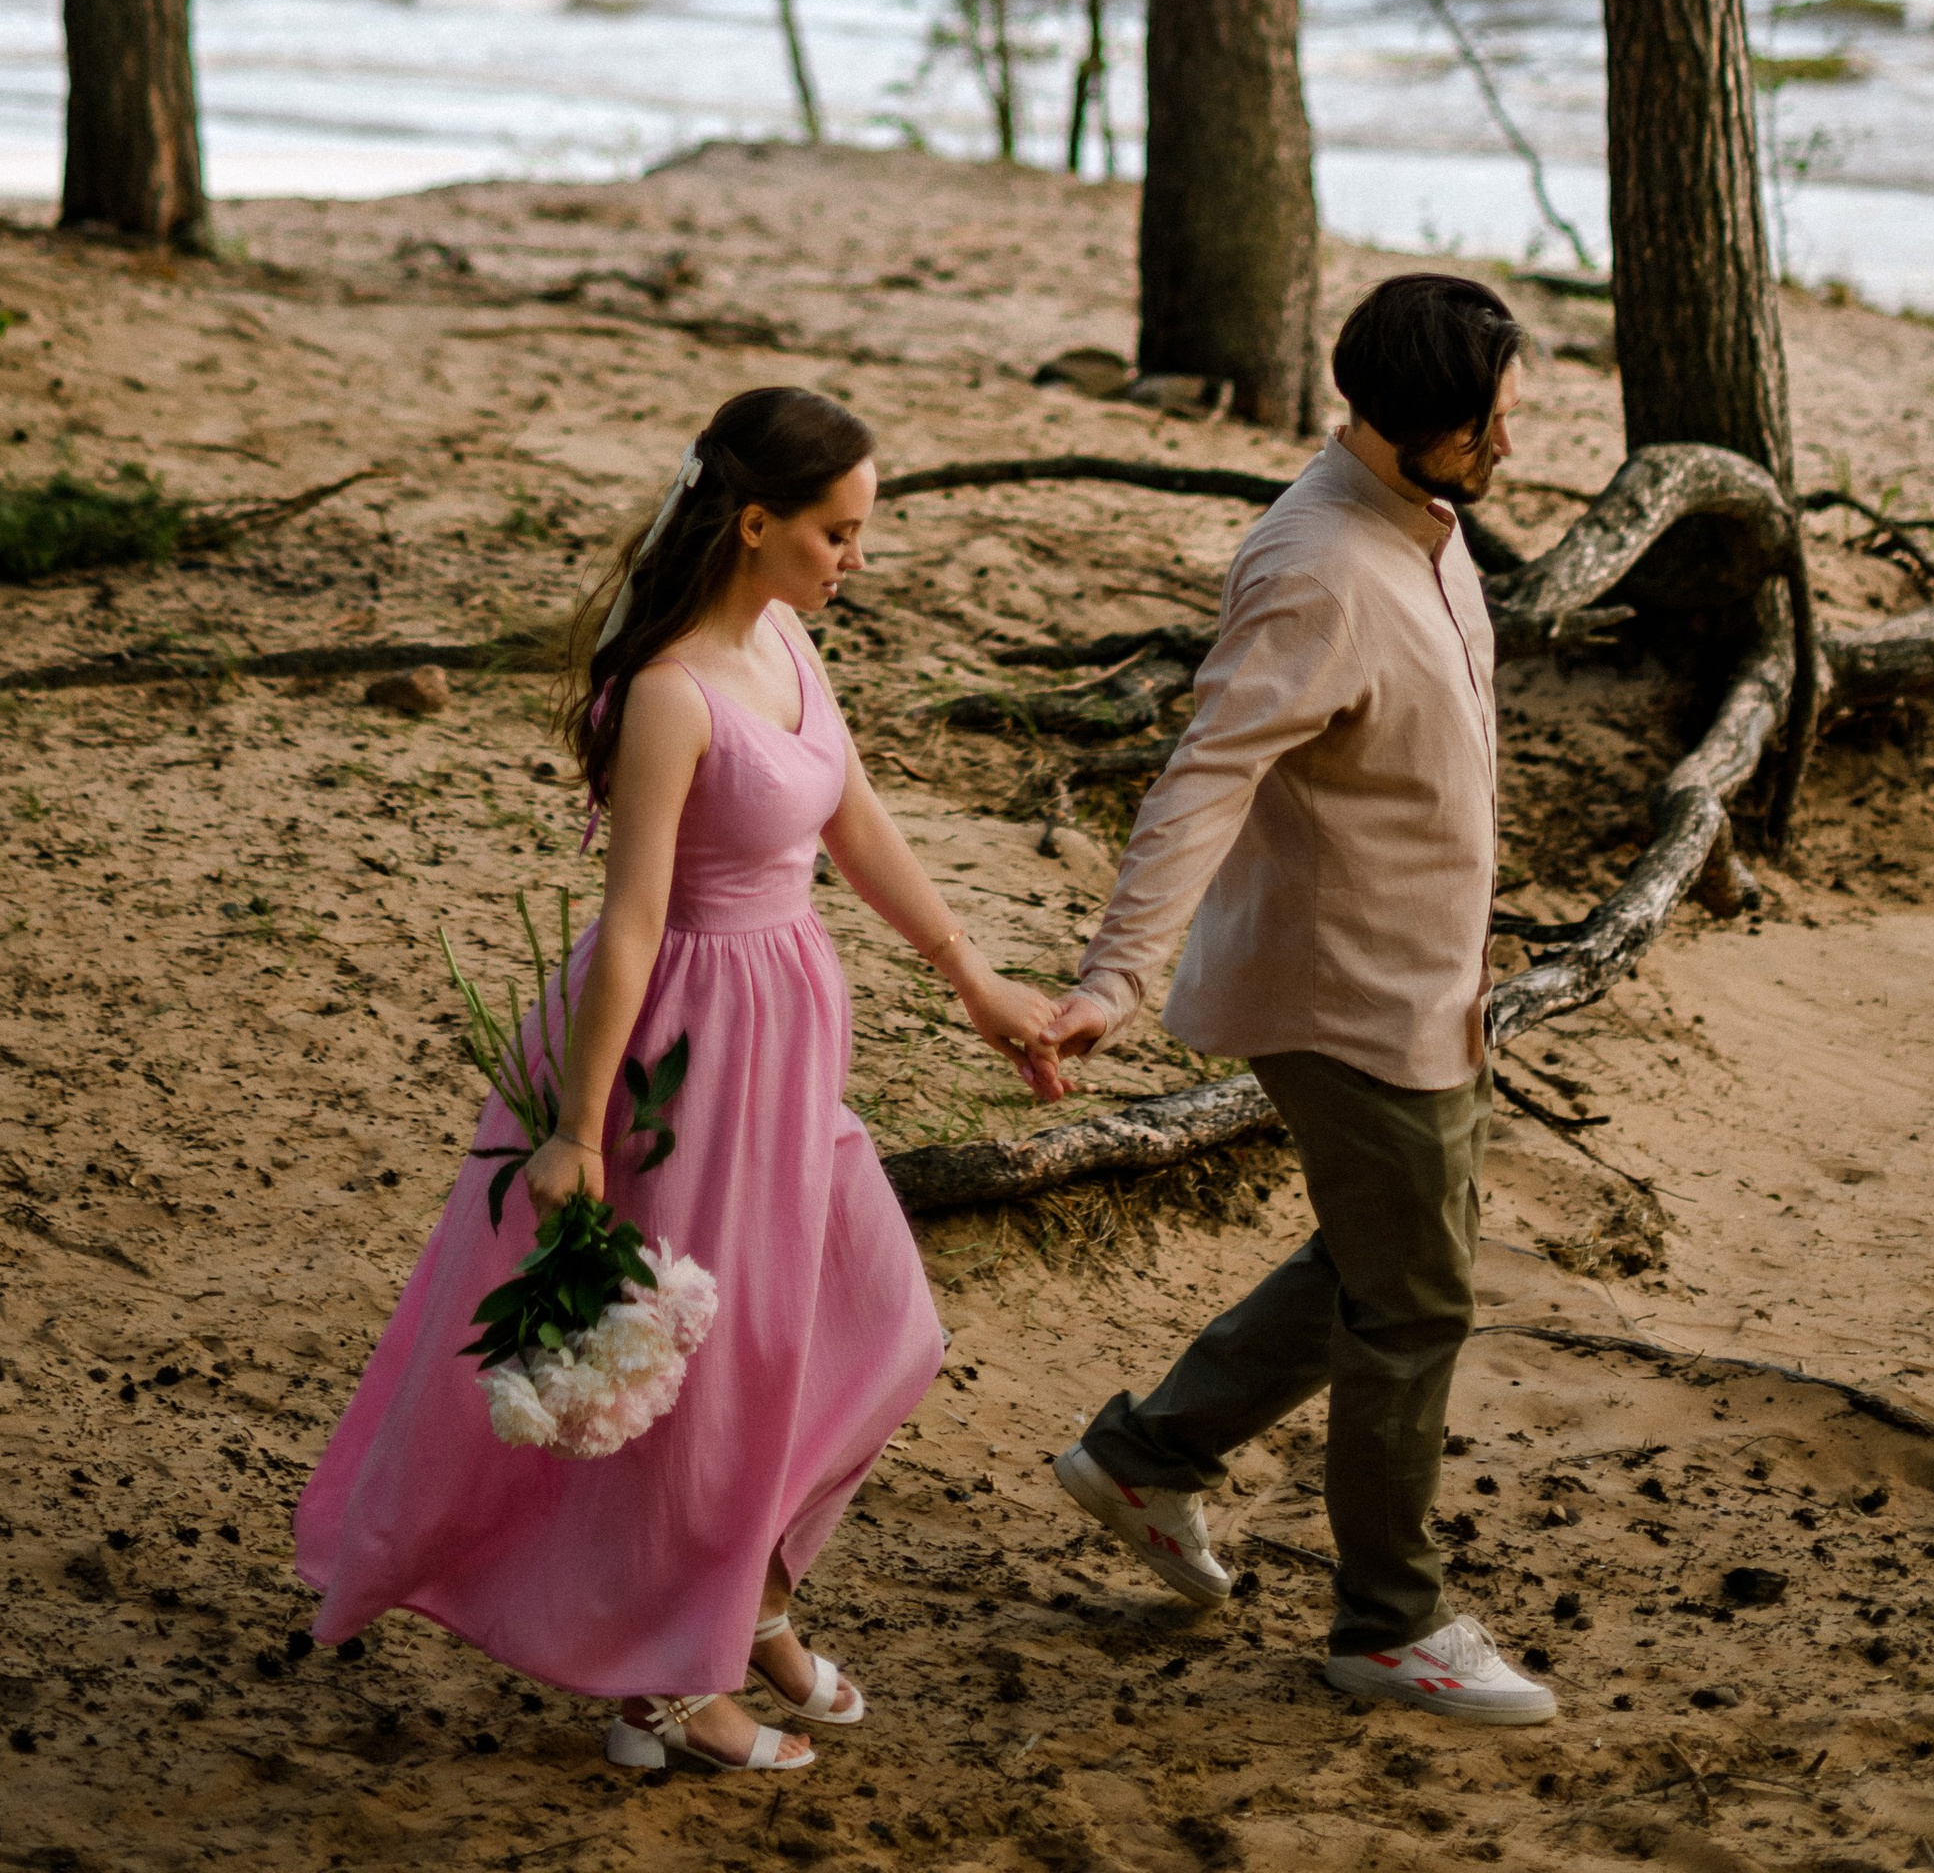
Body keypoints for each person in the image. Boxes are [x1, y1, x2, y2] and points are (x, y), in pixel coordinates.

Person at [293, 384, 1067, 1774]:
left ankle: (750, 1599)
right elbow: (635, 924)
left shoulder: (784, 638)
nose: (855, 560)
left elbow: (854, 812)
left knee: (885, 1329)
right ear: (755, 521)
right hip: (685, 1055)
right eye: (837, 533)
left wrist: (973, 979)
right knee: (710, 1374)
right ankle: (675, 1678)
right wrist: (577, 1132)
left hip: (793, 1042)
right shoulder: (669, 695)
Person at [1043, 273, 1558, 1730]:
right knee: (1416, 1299)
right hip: (1346, 999)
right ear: (1404, 430)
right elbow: (1202, 777)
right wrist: (1114, 979)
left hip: (1427, 980)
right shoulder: (1318, 568)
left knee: (1383, 1254)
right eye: (1490, 427)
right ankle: (1389, 1623)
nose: (1510, 447)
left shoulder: (1427, 527)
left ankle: (1150, 1457)